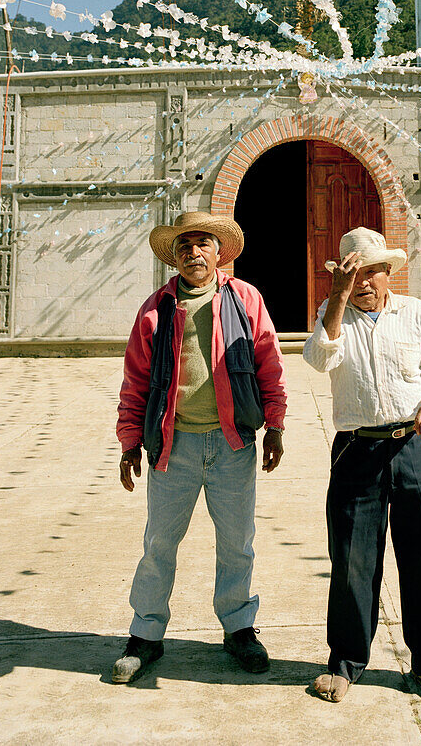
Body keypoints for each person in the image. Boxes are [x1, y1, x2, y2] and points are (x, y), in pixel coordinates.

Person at [112, 211, 286, 684]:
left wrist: (276, 426)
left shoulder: (245, 299)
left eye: (202, 244)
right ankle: (145, 635)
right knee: (158, 544)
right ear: (175, 255)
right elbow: (136, 381)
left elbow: (269, 363)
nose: (194, 253)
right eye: (185, 246)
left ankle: (239, 628)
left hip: (233, 444)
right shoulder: (155, 310)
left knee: (237, 544)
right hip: (174, 446)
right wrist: (130, 443)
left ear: (217, 252)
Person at [302, 227, 421, 705]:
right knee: (352, 559)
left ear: (388, 273)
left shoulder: (413, 313)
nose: (366, 281)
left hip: (415, 444)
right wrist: (336, 297)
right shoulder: (332, 315)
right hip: (357, 450)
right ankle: (346, 663)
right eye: (355, 273)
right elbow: (318, 358)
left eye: (373, 270)